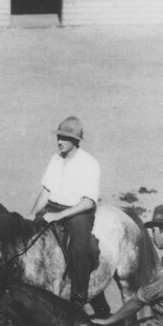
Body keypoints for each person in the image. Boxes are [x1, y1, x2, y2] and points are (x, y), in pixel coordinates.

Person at [29, 116, 100, 309]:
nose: (59, 142)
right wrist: (33, 213)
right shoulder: (55, 159)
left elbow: (88, 202)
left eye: (64, 138)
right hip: (53, 207)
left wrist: (58, 216)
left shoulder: (89, 163)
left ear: (75, 141)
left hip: (78, 212)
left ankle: (78, 297)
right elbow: (46, 191)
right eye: (58, 137)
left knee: (79, 248)